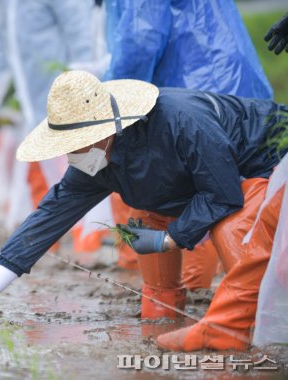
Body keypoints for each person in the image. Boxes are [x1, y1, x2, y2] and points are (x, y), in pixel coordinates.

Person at [0, 70, 287, 351]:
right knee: (144, 216)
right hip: (210, 184)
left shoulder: (183, 123)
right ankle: (163, 312)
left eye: (75, 145)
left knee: (235, 230)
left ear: (105, 132)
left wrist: (168, 239)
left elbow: (224, 195)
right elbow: (50, 216)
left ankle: (241, 327)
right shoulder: (93, 161)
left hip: (267, 164)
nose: (70, 155)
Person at [100, 0, 274, 287]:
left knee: (198, 196)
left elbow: (140, 38)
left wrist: (110, 103)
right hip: (232, 76)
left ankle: (187, 298)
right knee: (236, 197)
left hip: (192, 84)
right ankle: (216, 298)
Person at [0, 0, 98, 250]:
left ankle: (88, 252)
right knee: (40, 176)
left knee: (81, 177)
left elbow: (82, 39)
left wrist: (80, 88)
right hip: (32, 105)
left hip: (65, 100)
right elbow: (0, 48)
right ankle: (49, 249)